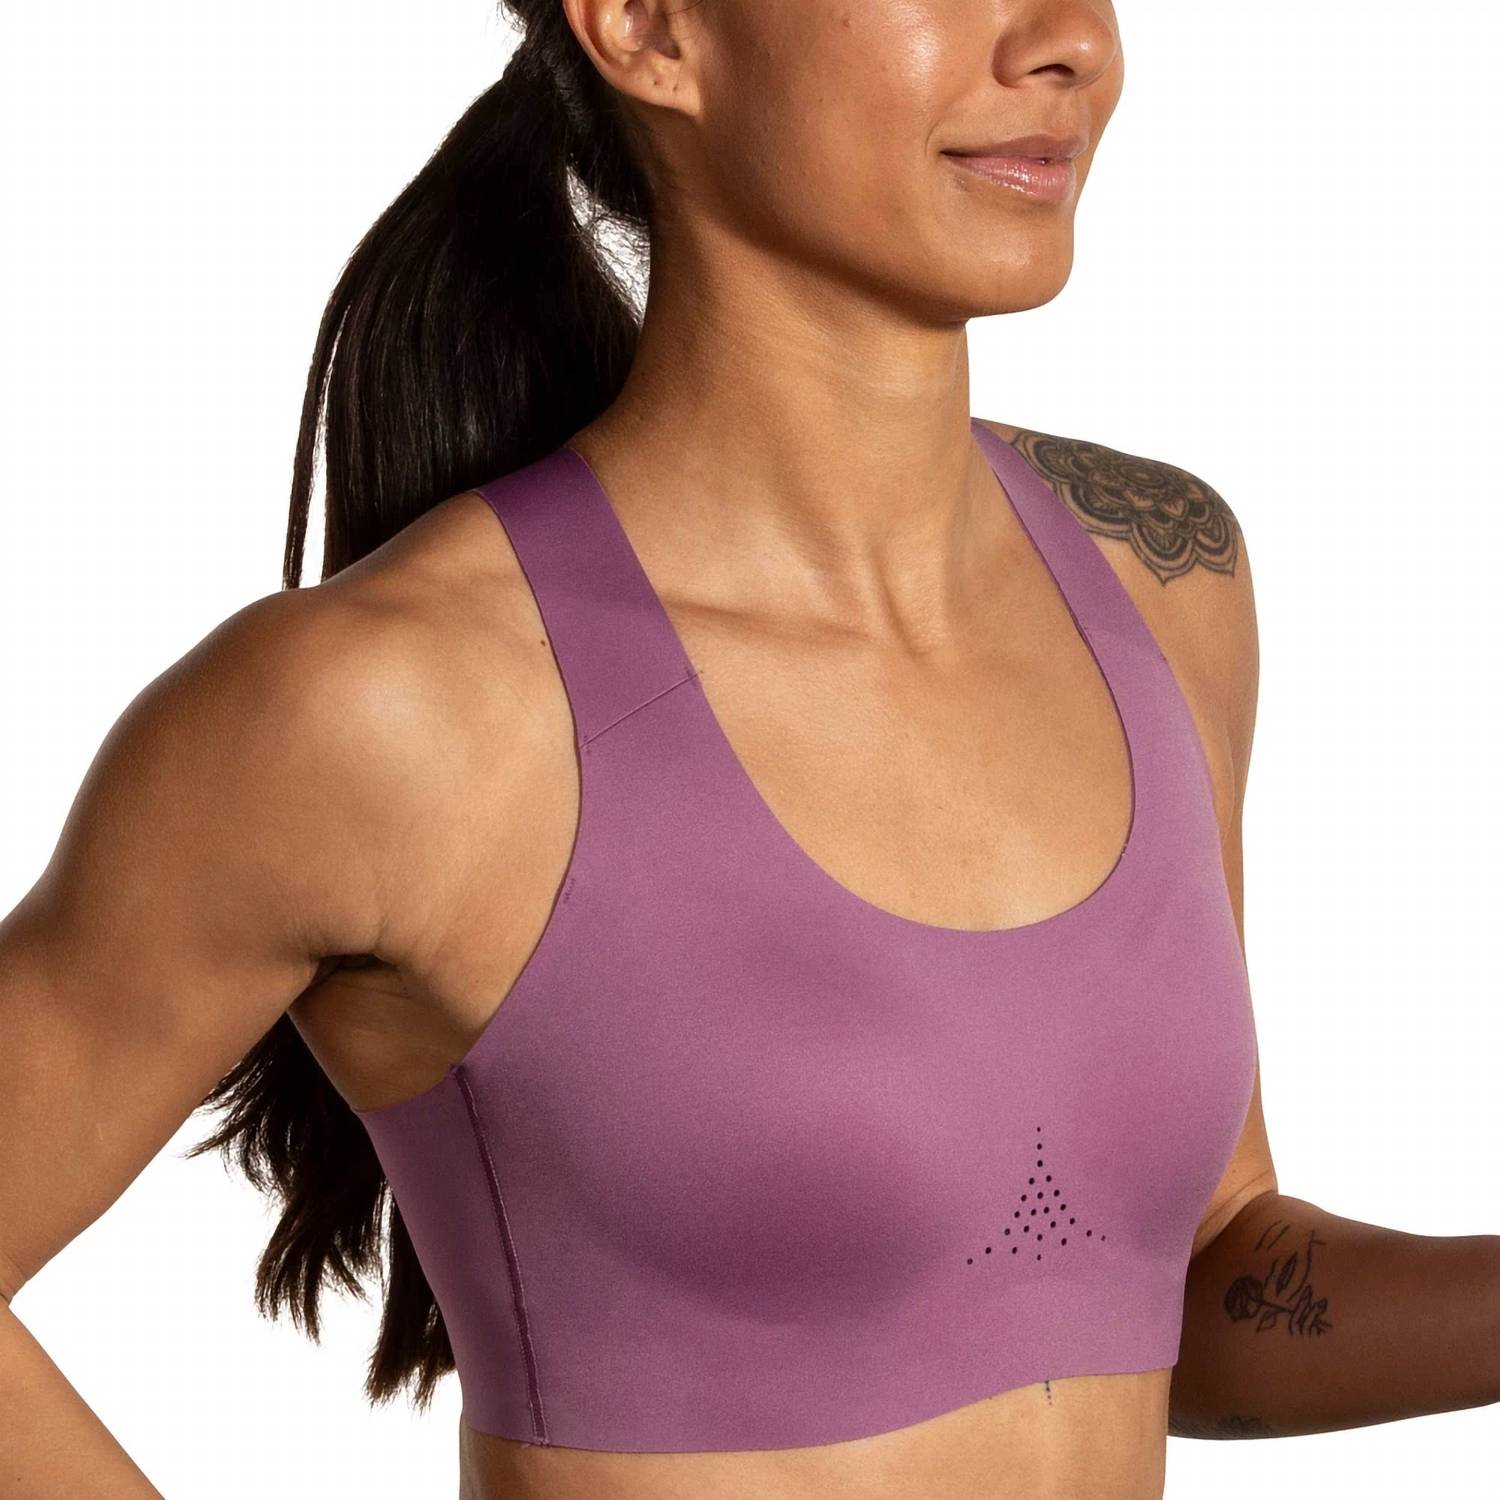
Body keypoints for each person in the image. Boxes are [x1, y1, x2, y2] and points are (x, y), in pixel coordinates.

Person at [2, 2, 1496, 1497]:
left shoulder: (1160, 579)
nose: (1070, 43)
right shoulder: (392, 707)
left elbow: (1195, 1276)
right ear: (648, 26)